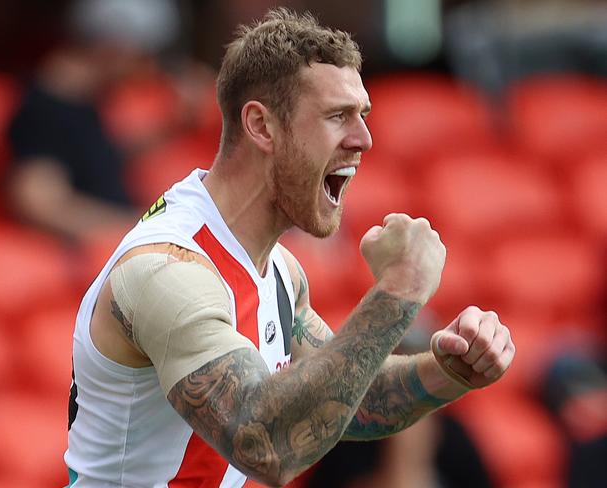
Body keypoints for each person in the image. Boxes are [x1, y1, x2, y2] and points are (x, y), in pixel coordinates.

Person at [65, 8, 516, 487]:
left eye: (362, 116)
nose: (364, 140)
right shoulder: (170, 270)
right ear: (261, 126)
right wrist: (398, 291)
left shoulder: (278, 268)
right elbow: (267, 446)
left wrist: (451, 369)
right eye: (337, 117)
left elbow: (350, 400)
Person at [6, 0, 180, 243]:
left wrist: (172, 125)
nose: (148, 69)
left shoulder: (86, 100)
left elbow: (90, 159)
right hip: (87, 262)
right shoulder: (48, 105)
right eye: (144, 57)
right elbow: (39, 202)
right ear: (113, 48)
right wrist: (144, 229)